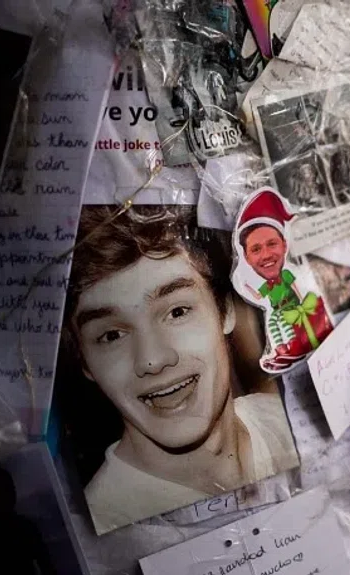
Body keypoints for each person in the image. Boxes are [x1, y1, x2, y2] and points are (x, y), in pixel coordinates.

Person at [63, 205, 300, 534]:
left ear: (226, 311)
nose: (153, 359)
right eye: (112, 335)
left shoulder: (292, 426)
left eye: (176, 312)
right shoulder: (98, 532)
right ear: (85, 362)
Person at [235, 189, 333, 373]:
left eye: (272, 244)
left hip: (293, 308)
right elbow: (258, 295)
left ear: (285, 244)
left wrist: (302, 305)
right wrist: (246, 285)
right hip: (278, 310)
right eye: (256, 249)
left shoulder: (289, 274)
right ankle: (281, 348)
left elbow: (296, 287)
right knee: (273, 322)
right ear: (246, 258)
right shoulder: (265, 286)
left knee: (288, 323)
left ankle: (293, 346)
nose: (266, 255)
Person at [0, 466, 56, 575]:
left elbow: (46, 565)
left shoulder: (27, 527)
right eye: (1, 490)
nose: (8, 493)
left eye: (10, 488)